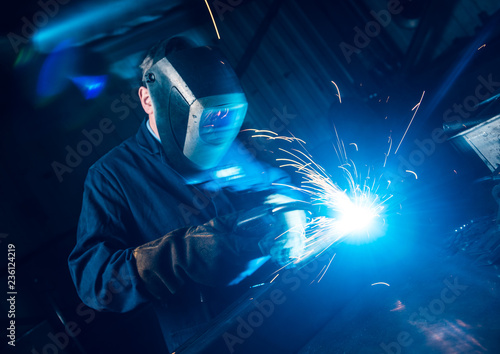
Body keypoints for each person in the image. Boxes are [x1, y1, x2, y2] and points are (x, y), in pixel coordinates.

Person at [68, 36, 306, 352]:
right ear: (148, 99)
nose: (215, 127)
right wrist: (183, 255)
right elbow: (95, 282)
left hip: (281, 321)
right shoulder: (111, 175)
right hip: (209, 339)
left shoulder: (228, 144)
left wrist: (289, 208)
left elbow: (274, 182)